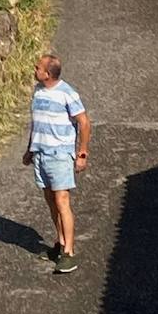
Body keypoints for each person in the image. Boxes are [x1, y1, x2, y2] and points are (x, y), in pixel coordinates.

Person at [22, 52, 91, 274]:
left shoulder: (67, 94)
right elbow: (37, 122)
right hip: (41, 154)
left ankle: (69, 253)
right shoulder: (38, 91)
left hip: (59, 155)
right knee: (51, 200)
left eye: (37, 68)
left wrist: (82, 153)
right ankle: (60, 244)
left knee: (62, 201)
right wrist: (30, 149)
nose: (34, 70)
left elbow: (83, 121)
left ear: (48, 73)